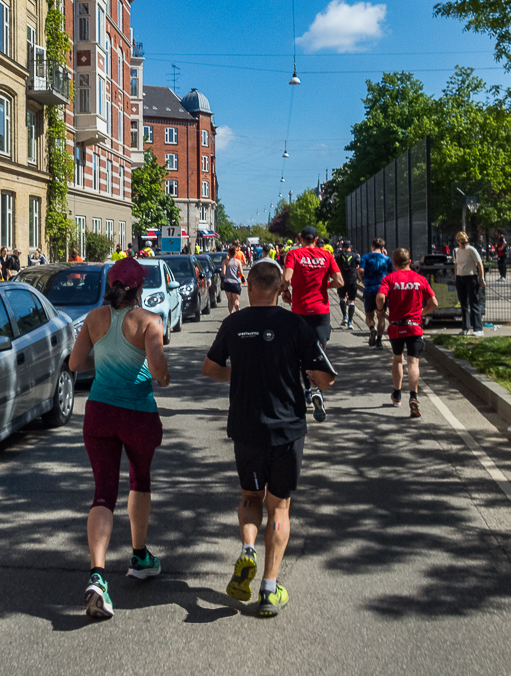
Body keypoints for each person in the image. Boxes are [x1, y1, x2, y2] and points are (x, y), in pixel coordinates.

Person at [203, 260, 336, 617]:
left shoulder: (234, 323)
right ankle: (268, 588)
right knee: (279, 506)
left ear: (248, 286)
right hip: (287, 428)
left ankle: (248, 547)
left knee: (250, 496)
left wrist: (241, 372)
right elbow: (326, 377)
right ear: (281, 290)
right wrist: (308, 374)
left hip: (246, 426)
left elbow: (211, 368)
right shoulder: (295, 325)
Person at [68, 258, 171, 620]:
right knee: (139, 480)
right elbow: (158, 370)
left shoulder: (94, 318)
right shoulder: (149, 321)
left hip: (99, 412)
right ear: (139, 288)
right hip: (138, 414)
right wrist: (162, 374)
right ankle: (140, 556)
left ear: (111, 285)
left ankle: (98, 576)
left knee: (103, 493)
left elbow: (74, 363)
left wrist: (106, 354)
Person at [282, 226, 343, 422]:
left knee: (301, 354)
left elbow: (286, 278)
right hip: (321, 312)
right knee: (318, 352)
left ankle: (308, 391)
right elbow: (340, 281)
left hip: (300, 311)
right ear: (316, 239)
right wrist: (324, 284)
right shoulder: (326, 255)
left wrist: (286, 291)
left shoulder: (294, 254)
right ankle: (318, 391)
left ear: (300, 238)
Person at [376, 248, 438, 417]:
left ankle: (397, 394)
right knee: (413, 362)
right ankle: (414, 397)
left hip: (396, 327)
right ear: (410, 262)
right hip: (414, 326)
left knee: (398, 359)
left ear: (394, 264)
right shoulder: (420, 279)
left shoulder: (389, 279)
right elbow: (434, 303)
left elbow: (380, 297)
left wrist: (380, 310)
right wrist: (421, 313)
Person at [358, 238, 394, 348]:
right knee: (381, 316)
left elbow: (361, 270)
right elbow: (390, 273)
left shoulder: (365, 257)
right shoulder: (386, 259)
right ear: (383, 248)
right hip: (382, 289)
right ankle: (379, 340)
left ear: (372, 246)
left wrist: (362, 279)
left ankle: (372, 328)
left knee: (369, 315)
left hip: (369, 288)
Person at [453, 231, 486, 336]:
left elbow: (479, 264)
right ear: (458, 242)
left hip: (471, 277)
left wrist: (481, 278)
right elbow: (456, 264)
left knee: (474, 302)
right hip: (460, 277)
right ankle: (465, 328)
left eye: (466, 242)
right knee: (463, 304)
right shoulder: (456, 251)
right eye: (462, 242)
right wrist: (456, 276)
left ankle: (478, 329)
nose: (464, 244)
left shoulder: (471, 250)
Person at [334, 241, 360, 329]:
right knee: (352, 301)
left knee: (342, 298)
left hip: (341, 280)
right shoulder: (355, 255)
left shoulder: (338, 256)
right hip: (352, 280)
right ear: (350, 246)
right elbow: (358, 266)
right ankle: (350, 322)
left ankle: (344, 317)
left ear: (342, 246)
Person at [221, 247, 244, 314]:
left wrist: (221, 273)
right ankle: (237, 307)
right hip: (236, 282)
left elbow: (223, 272)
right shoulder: (238, 262)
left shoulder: (225, 262)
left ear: (228, 253)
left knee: (230, 300)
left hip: (227, 282)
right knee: (236, 299)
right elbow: (241, 272)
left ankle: (231, 313)